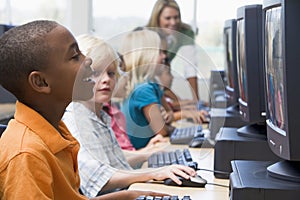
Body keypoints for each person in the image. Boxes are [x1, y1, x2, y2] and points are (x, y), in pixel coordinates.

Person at [0, 20, 166, 200]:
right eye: (74, 56)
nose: (87, 60)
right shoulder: (27, 155)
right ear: (41, 82)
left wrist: (130, 195)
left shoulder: (57, 131)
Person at [62, 34, 197, 198]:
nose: (106, 80)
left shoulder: (98, 115)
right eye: (96, 73)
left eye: (111, 73)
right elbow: (99, 177)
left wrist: (149, 155)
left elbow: (112, 159)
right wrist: (154, 173)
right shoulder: (76, 120)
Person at [119, 29, 175, 150]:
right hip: (141, 159)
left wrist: (167, 116)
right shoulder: (144, 90)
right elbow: (162, 131)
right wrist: (171, 128)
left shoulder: (148, 85)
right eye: (160, 52)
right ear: (146, 56)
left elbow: (167, 114)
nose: (164, 56)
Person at [146, 0, 200, 101]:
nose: (173, 22)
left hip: (159, 87)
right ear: (157, 19)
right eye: (168, 18)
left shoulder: (185, 33)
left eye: (176, 17)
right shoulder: (147, 36)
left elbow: (190, 68)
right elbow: (149, 78)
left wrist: (196, 101)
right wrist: (179, 102)